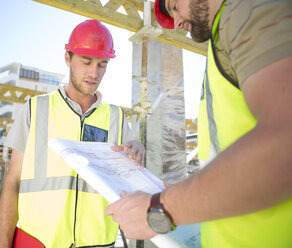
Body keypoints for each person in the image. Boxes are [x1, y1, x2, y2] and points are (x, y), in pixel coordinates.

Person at [105, 0, 292, 247]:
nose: (178, 23)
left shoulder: (244, 11)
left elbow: (283, 145)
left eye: (174, 5)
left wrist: (158, 210)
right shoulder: (225, 35)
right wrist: (190, 192)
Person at [0, 19, 145, 248]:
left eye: (102, 64)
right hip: (38, 243)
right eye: (86, 62)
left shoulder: (117, 118)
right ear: (68, 58)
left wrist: (137, 150)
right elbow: (12, 183)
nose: (94, 73)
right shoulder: (35, 110)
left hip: (97, 244)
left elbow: (131, 181)